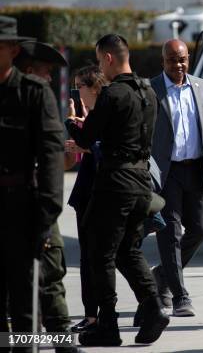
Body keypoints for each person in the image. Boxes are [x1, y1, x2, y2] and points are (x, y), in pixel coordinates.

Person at [65, 34, 169, 346]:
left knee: (99, 253)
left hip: (115, 183)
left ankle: (107, 326)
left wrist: (73, 123)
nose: (100, 66)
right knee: (127, 250)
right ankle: (153, 308)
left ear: (109, 58)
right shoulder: (148, 92)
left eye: (99, 61)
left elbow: (87, 138)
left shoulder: (113, 94)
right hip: (140, 182)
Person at [0, 16, 64, 350]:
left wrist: (45, 214)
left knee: (25, 307)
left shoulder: (34, 94)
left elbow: (52, 158)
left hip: (21, 210)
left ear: (12, 50)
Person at [13, 40, 81, 352]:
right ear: (29, 70)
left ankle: (63, 344)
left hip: (38, 200)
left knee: (51, 276)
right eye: (46, 71)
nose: (51, 79)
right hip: (16, 200)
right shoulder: (22, 100)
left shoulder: (40, 102)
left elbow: (59, 161)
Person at [150, 39, 203, 316]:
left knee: (200, 230)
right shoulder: (151, 89)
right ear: (163, 61)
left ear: (188, 59)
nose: (177, 65)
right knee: (170, 233)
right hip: (166, 173)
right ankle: (179, 295)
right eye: (171, 60)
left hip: (195, 170)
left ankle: (163, 274)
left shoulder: (202, 87)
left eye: (182, 60)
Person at [63, 65, 108, 333]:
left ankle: (147, 301)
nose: (76, 92)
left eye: (80, 86)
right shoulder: (89, 116)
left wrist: (77, 130)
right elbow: (74, 157)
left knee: (106, 257)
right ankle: (92, 315)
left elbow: (104, 147)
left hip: (104, 193)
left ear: (93, 88)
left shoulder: (106, 111)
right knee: (88, 258)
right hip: (86, 194)